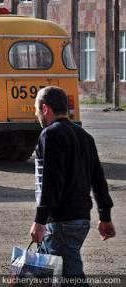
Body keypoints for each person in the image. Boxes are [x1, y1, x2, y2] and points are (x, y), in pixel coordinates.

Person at [29, 86, 115, 281]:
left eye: (36, 110)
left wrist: (40, 220)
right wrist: (105, 216)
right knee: (51, 276)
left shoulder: (50, 134)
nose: (36, 115)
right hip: (80, 220)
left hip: (61, 221)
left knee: (69, 277)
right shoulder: (85, 136)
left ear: (45, 109)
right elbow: (98, 179)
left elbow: (51, 180)